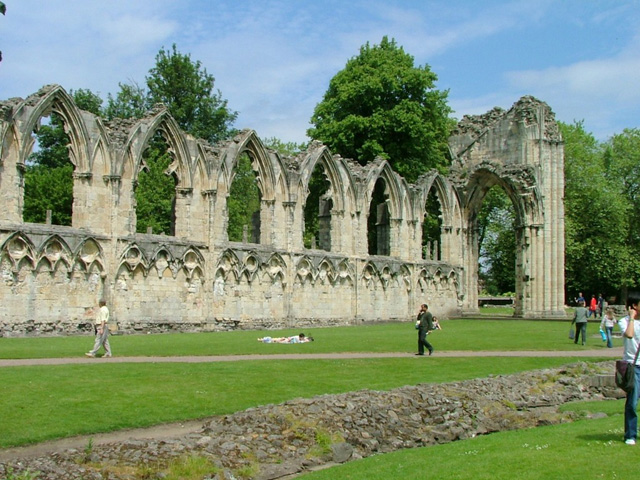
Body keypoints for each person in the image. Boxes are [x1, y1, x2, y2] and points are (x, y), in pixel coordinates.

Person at [617, 293, 640, 445]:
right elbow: (629, 335)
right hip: (633, 367)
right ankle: (630, 435)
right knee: (632, 401)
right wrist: (632, 317)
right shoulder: (623, 321)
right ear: (634, 306)